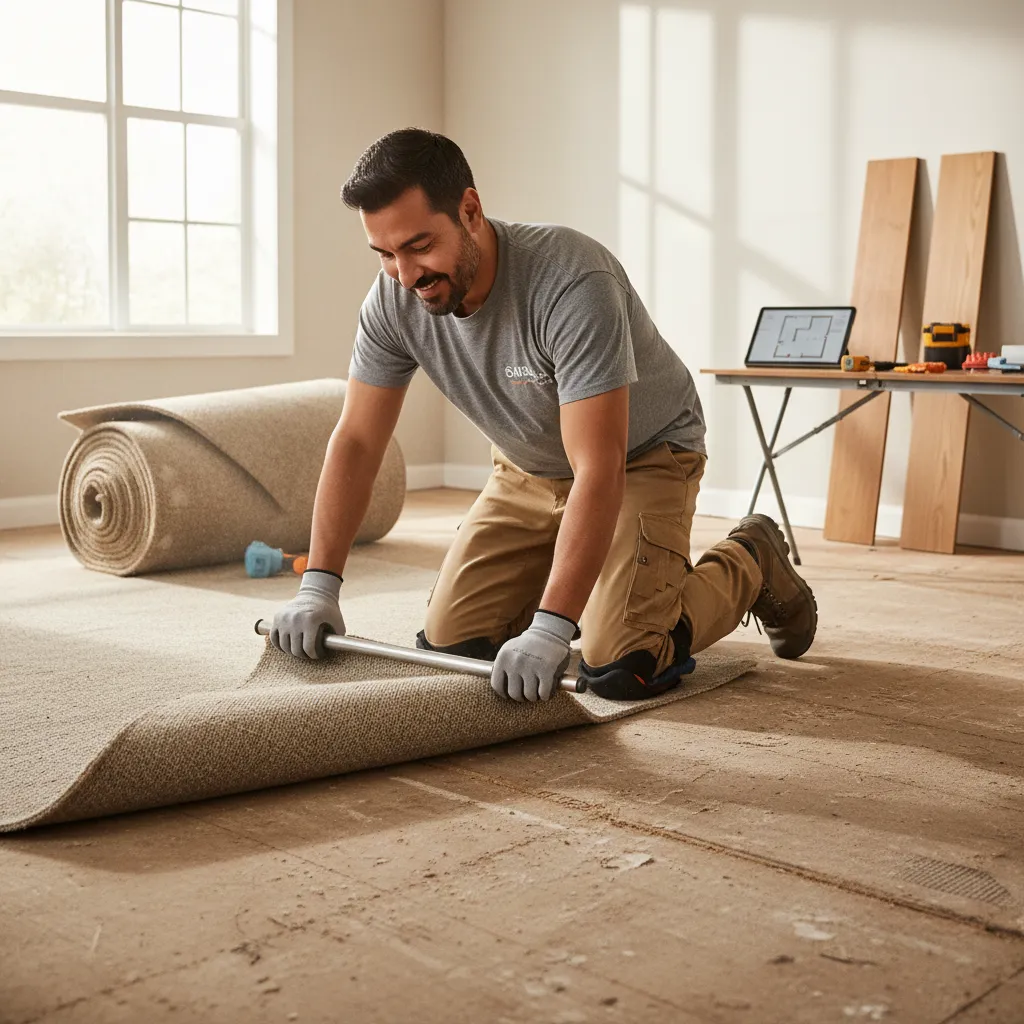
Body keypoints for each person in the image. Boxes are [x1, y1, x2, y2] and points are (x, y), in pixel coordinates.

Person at [270, 128, 817, 702]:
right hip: (527, 468)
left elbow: (598, 466)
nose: (406, 275)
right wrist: (318, 587)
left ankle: (751, 559)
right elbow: (358, 441)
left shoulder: (571, 280)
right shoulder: (393, 302)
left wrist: (553, 626)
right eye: (385, 254)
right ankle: (595, 587)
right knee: (454, 648)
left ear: (470, 210)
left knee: (621, 662)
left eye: (419, 246)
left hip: (643, 456)